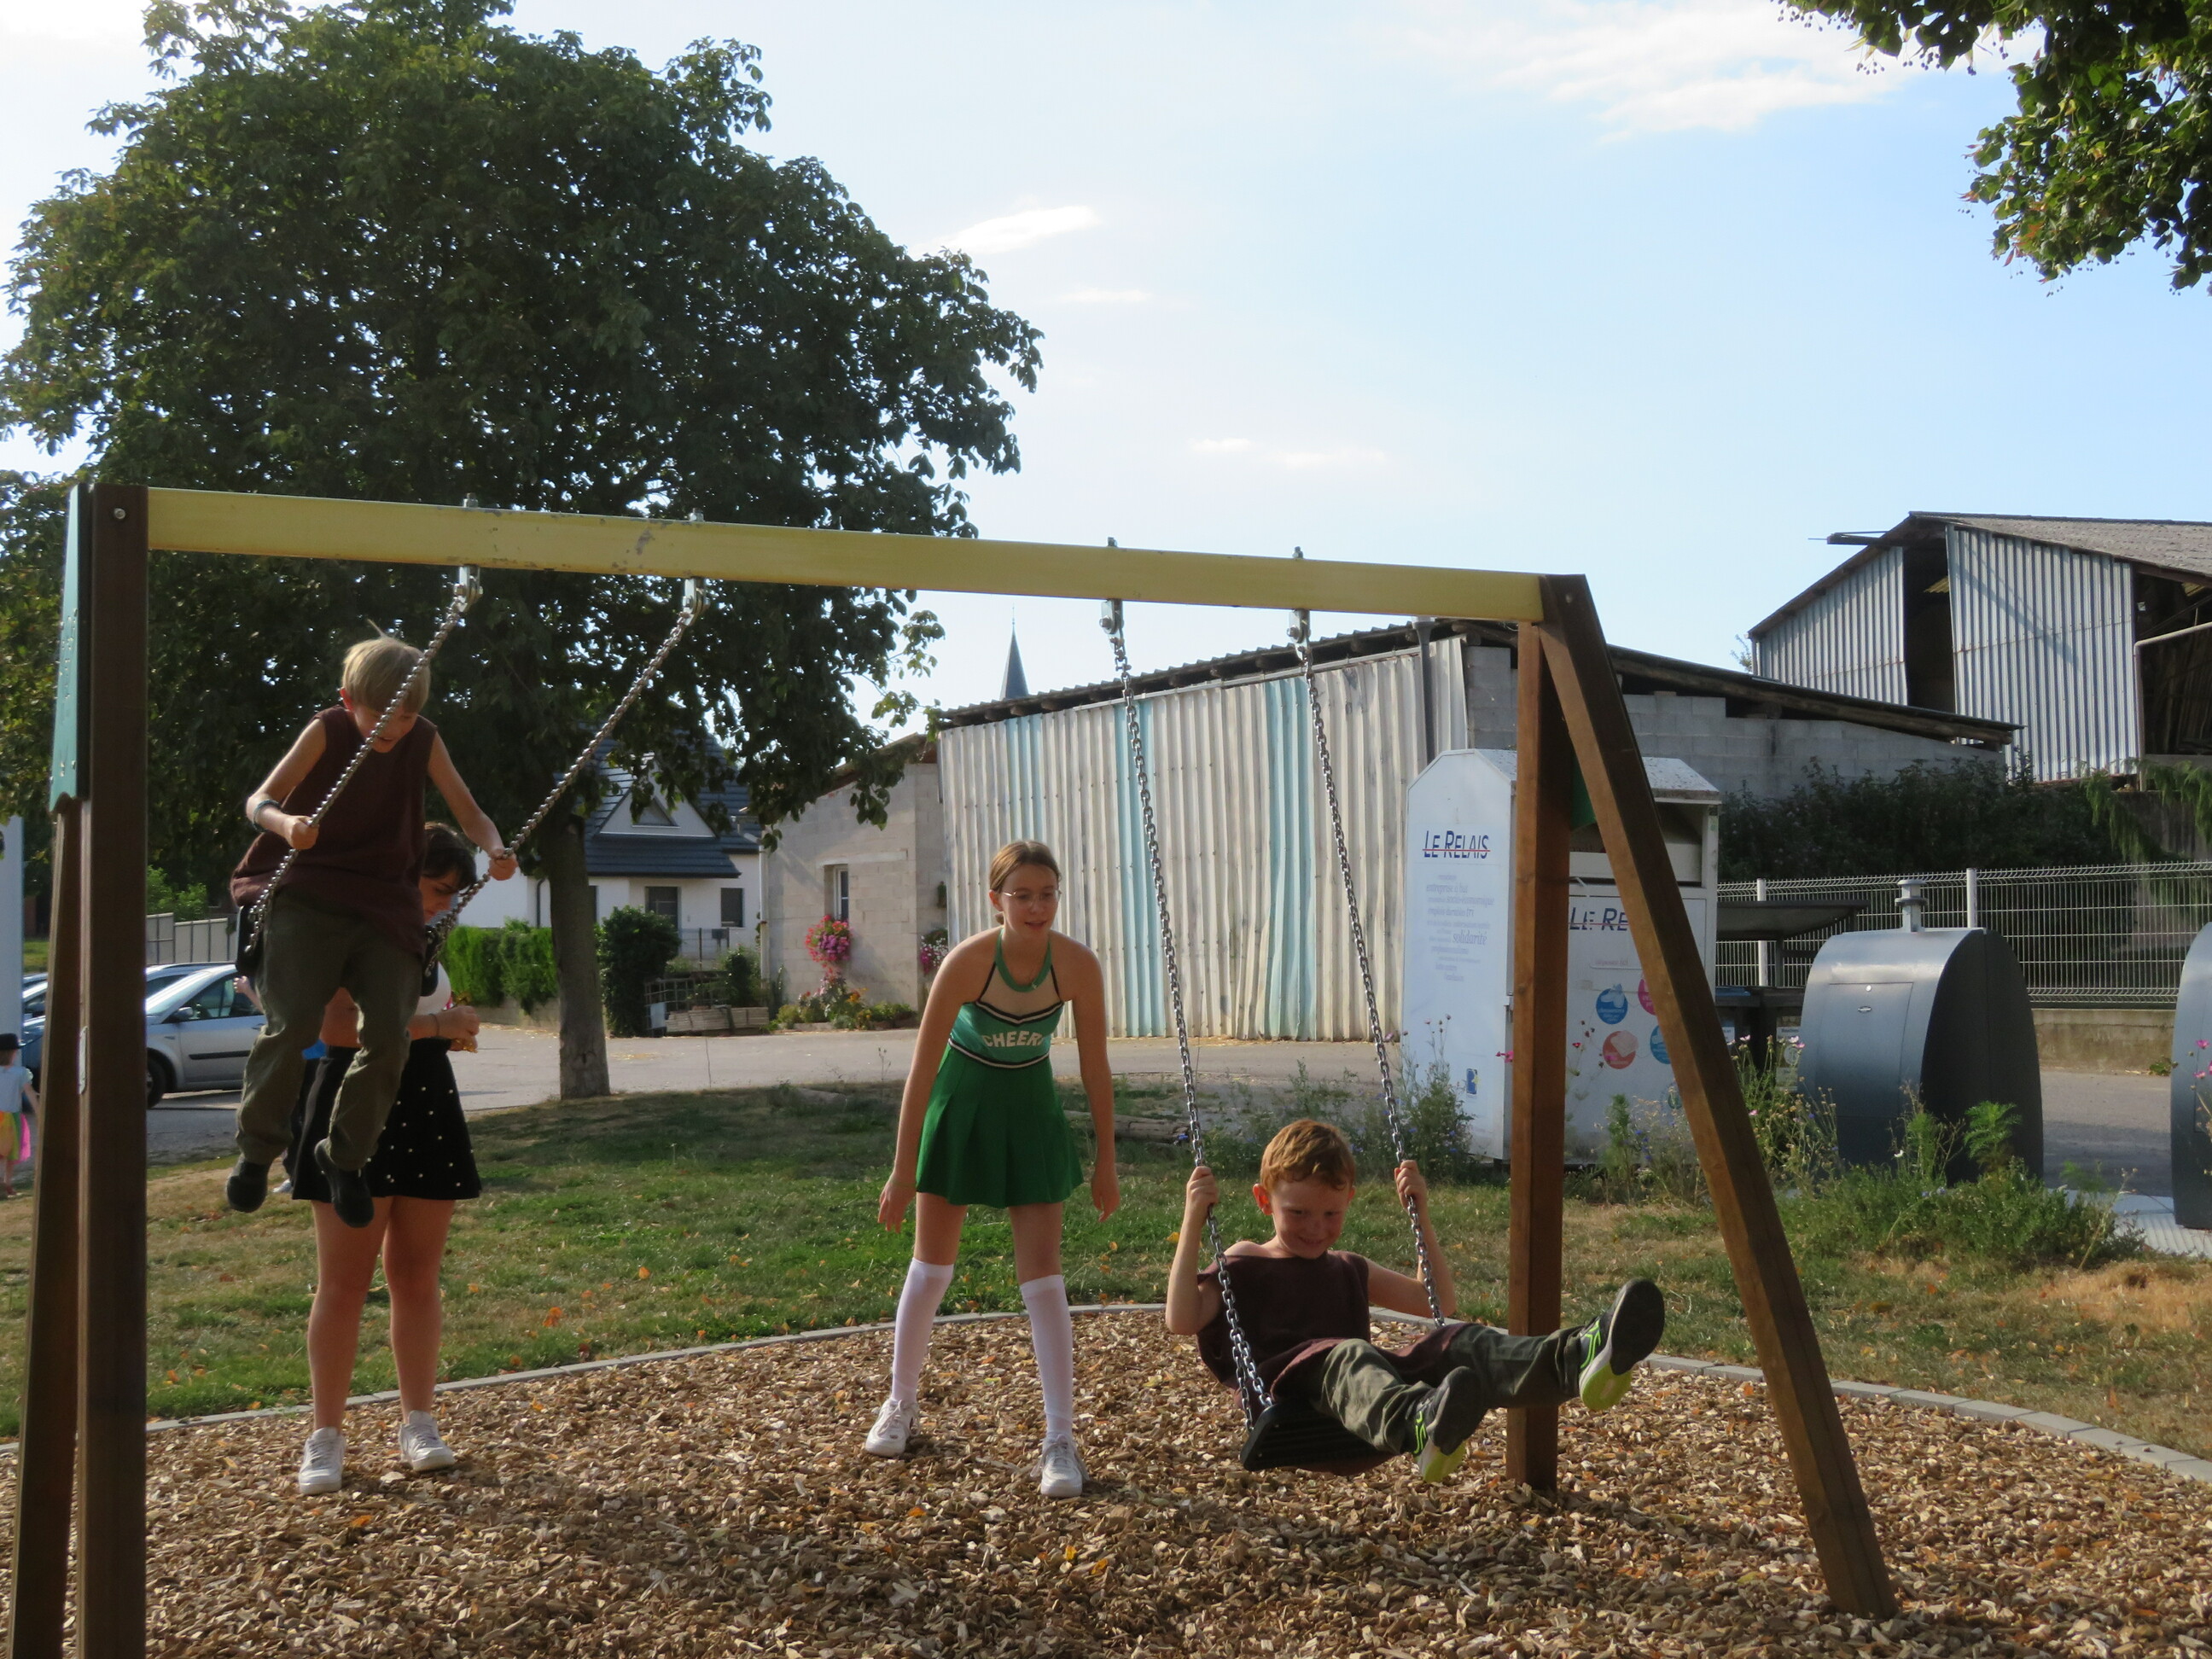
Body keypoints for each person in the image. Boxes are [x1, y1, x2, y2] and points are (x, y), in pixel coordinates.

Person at [1165, 1119, 1664, 1481]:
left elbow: (1437, 1301)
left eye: (1330, 1214)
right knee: (1348, 1354)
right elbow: (1181, 1319)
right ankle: (1422, 1423)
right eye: (1298, 1213)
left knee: (1459, 1341)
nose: (1316, 1229)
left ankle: (1579, 1358)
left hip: (1365, 1406)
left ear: (1348, 1201)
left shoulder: (1346, 1267)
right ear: (1263, 1200)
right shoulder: (1245, 1262)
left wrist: (1420, 1212)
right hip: (1293, 1405)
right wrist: (1193, 1219)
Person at [225, 632, 515, 1229]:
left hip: (384, 902)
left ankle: (345, 1157)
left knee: (387, 1036)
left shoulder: (423, 738)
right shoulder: (328, 730)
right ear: (349, 699)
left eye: (407, 715)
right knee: (294, 1022)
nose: (396, 726)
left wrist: (495, 847)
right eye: (383, 714)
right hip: (310, 892)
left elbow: (469, 811)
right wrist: (287, 824)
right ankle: (257, 1149)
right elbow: (259, 800)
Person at [867, 839, 1119, 1499]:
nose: (1037, 907)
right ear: (996, 901)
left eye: (1047, 894)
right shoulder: (968, 962)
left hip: (1030, 1109)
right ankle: (899, 1404)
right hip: (963, 1105)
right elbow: (922, 1073)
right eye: (1022, 895)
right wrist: (902, 1171)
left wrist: (1106, 1162)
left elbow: (1096, 1067)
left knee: (1044, 1281)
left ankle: (1060, 1440)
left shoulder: (1077, 965)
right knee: (931, 1269)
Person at [288, 824, 486, 1496]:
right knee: (343, 1282)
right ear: (402, 873)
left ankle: (419, 1424)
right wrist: (439, 1026)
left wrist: (448, 1032)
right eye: (438, 888)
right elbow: (336, 1029)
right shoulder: (345, 927)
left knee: (416, 1275)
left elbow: (406, 1020)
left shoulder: (423, 935)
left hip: (425, 1097)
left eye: (453, 895)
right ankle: (325, 1437)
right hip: (353, 1104)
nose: (445, 904)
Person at [0, 1033, 35, 1199]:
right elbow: (30, 1094)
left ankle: (5, 1185)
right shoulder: (20, 1073)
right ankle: (7, 1184)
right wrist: (39, 1113)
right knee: (11, 1153)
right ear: (13, 1052)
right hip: (12, 1117)